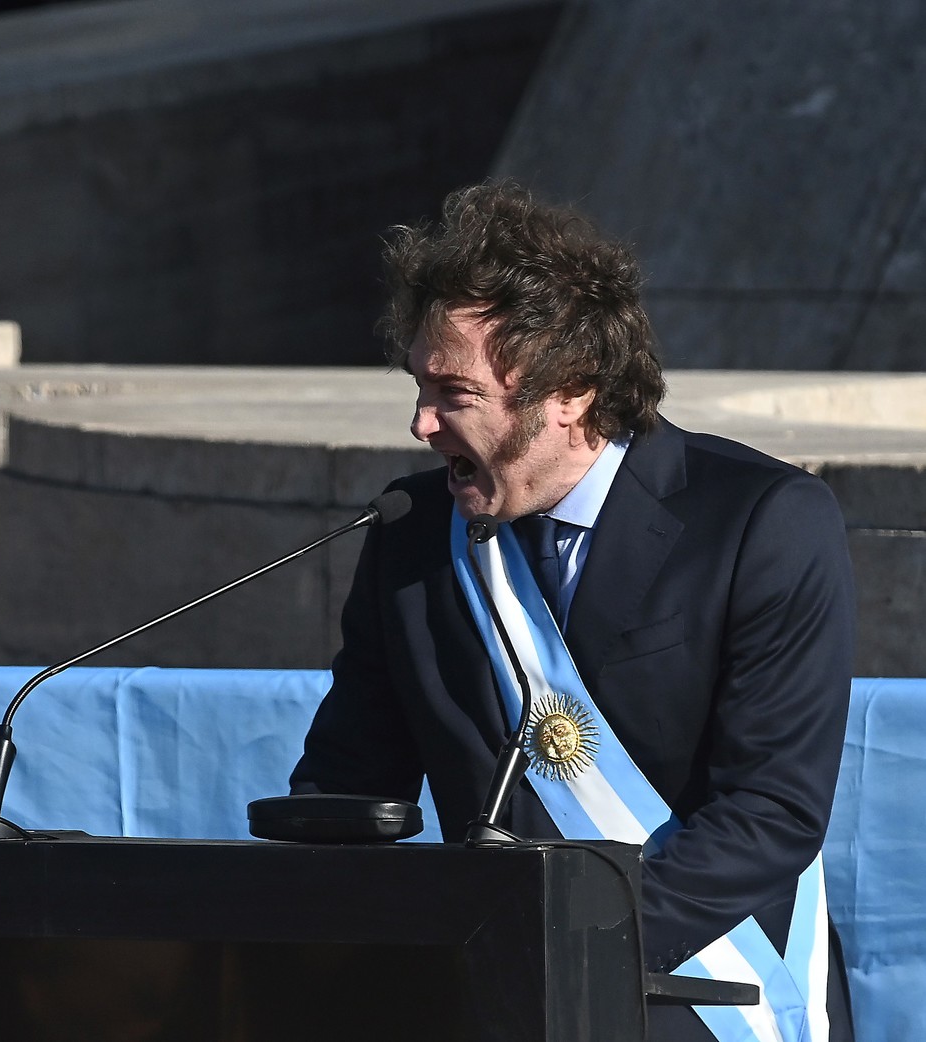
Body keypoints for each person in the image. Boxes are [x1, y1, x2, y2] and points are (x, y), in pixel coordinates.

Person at [290, 181, 855, 1042]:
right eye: (417, 385)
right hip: (483, 1001)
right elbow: (350, 783)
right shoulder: (411, 537)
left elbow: (769, 812)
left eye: (454, 393)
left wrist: (560, 947)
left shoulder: (759, 522)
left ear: (572, 392)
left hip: (705, 993)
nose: (420, 423)